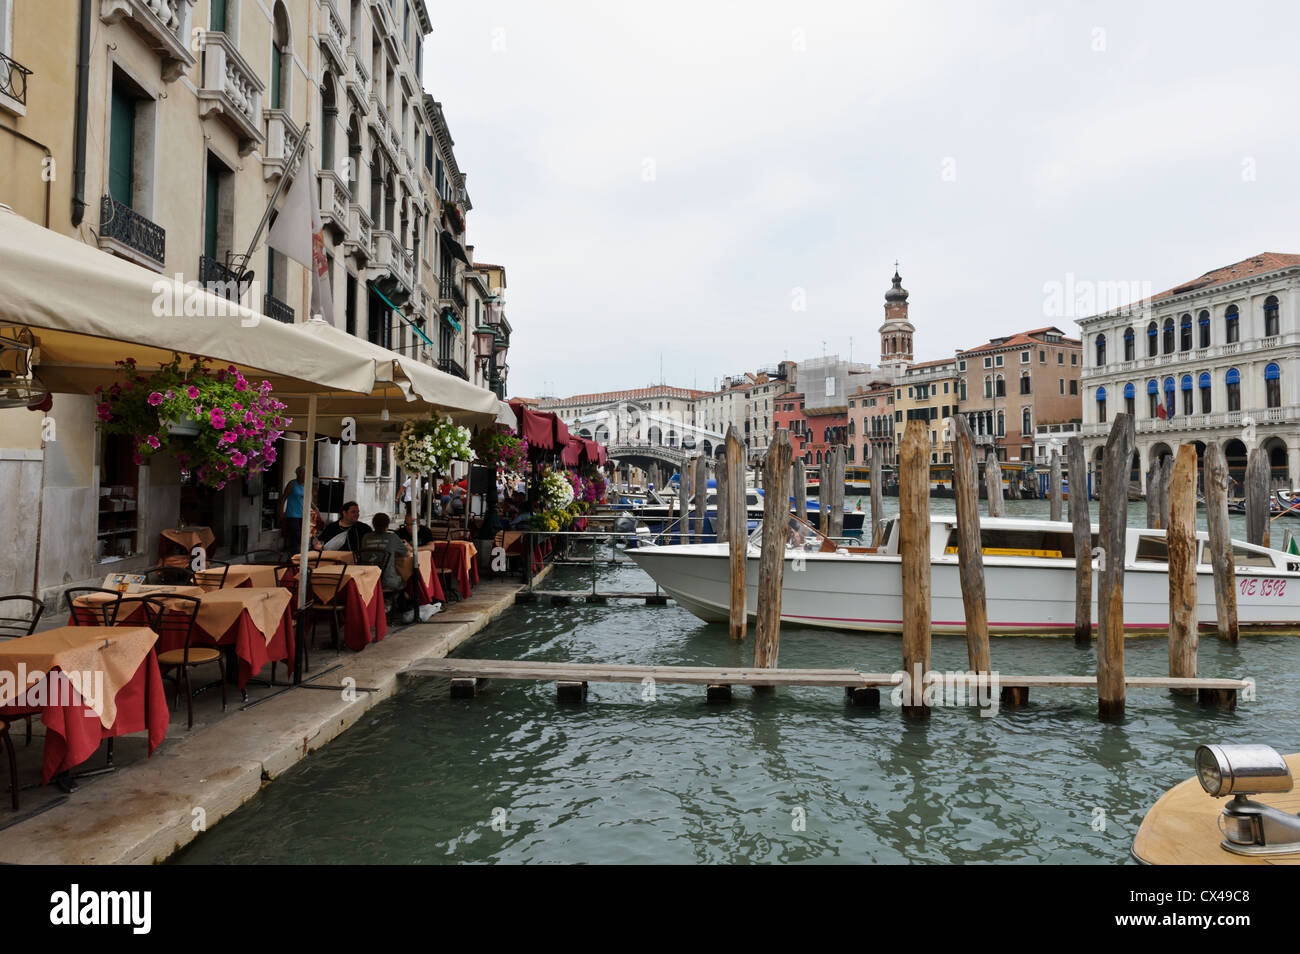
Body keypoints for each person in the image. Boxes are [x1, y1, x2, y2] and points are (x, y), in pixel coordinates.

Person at [361, 513, 412, 603]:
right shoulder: (392, 537)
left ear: (373, 525)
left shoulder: (365, 537)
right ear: (388, 525)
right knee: (404, 579)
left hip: (367, 580)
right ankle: (390, 602)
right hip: (388, 581)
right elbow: (407, 554)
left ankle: (385, 602)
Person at [278, 466, 306, 551]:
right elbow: (283, 498)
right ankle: (294, 557)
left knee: (301, 537)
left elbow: (307, 499)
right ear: (299, 474)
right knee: (295, 536)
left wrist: (315, 508)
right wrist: (281, 512)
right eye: (304, 473)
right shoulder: (292, 484)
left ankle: (294, 557)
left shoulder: (306, 485)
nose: (305, 475)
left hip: (302, 515)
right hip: (292, 514)